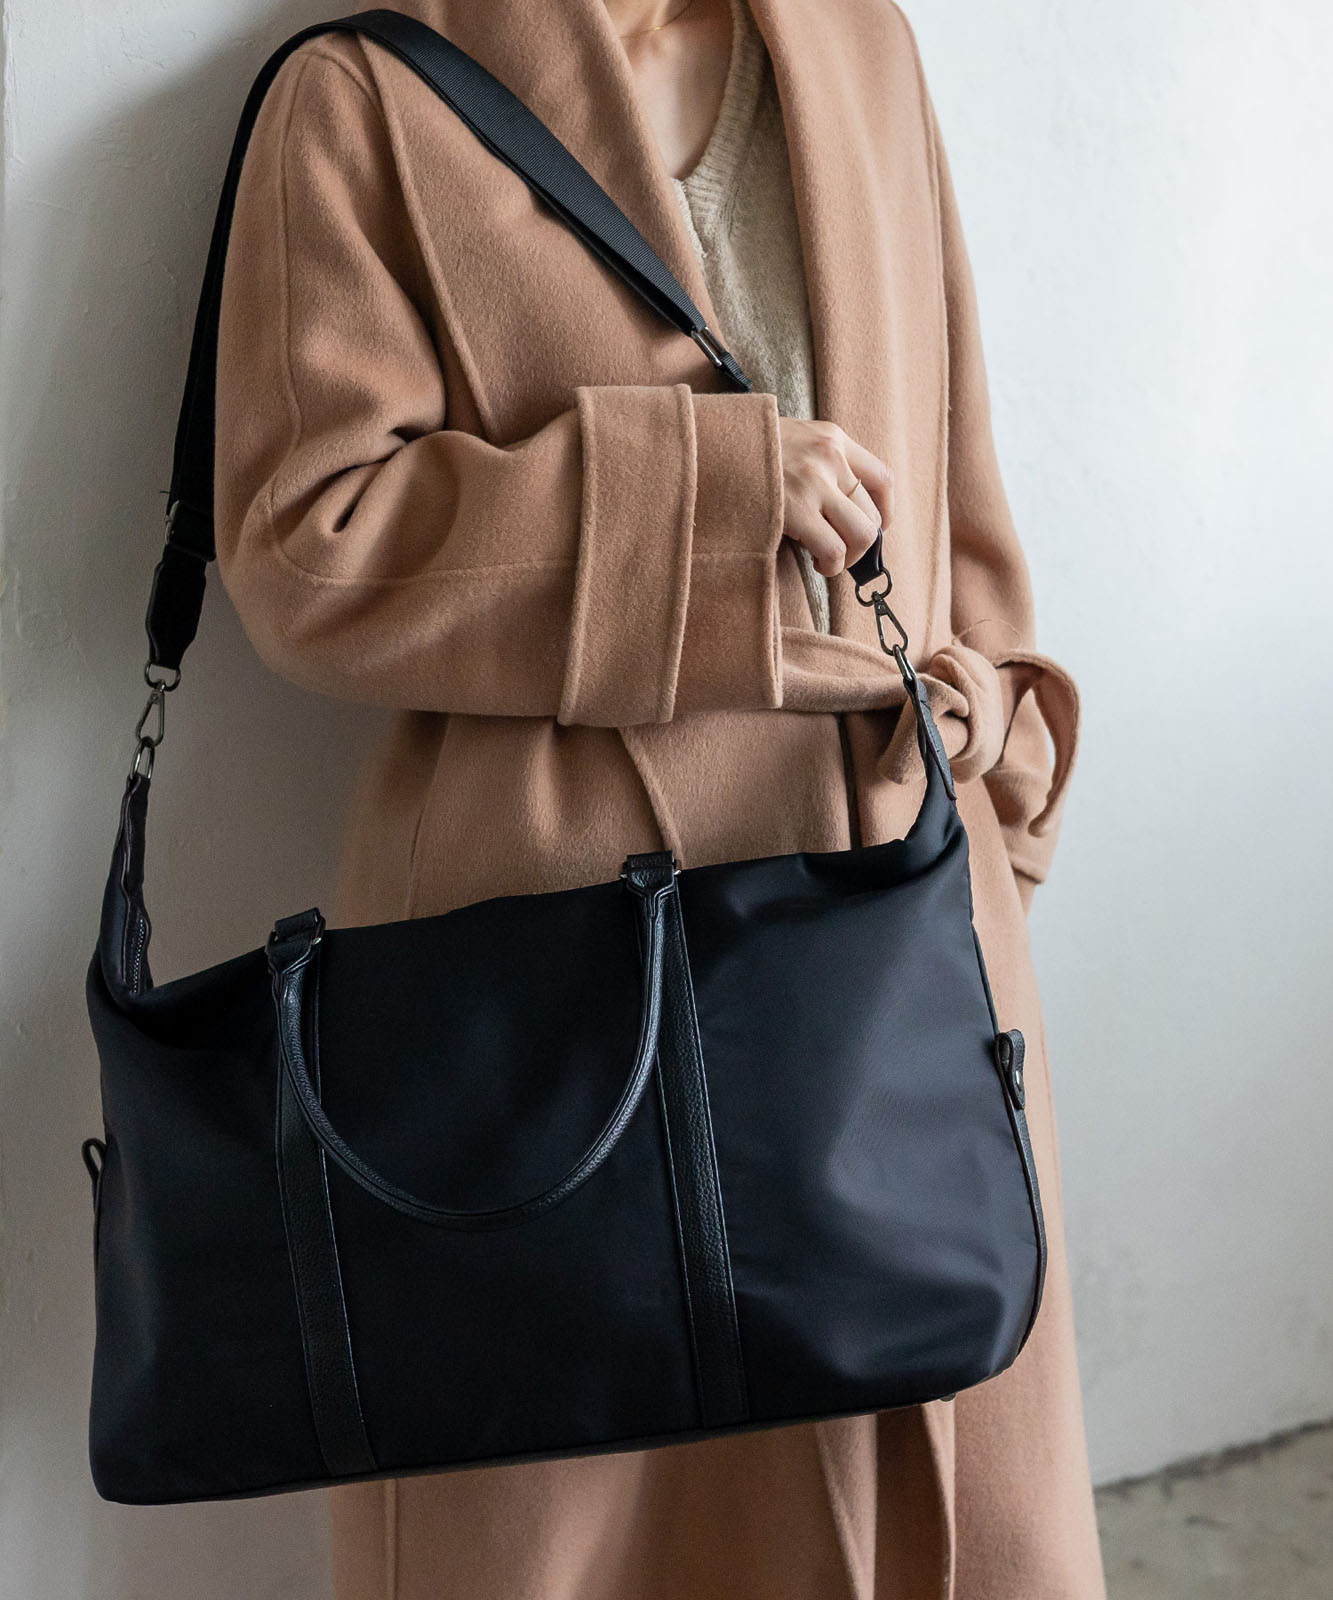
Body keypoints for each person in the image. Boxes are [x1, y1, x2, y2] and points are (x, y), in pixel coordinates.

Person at [213, 0, 1104, 1594]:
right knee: (581, 1518)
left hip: (894, 909)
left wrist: (1001, 809)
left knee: (946, 1479)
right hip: (560, 951)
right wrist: (710, 491)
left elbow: (951, 461)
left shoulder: (853, 42)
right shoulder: (364, 91)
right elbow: (308, 546)